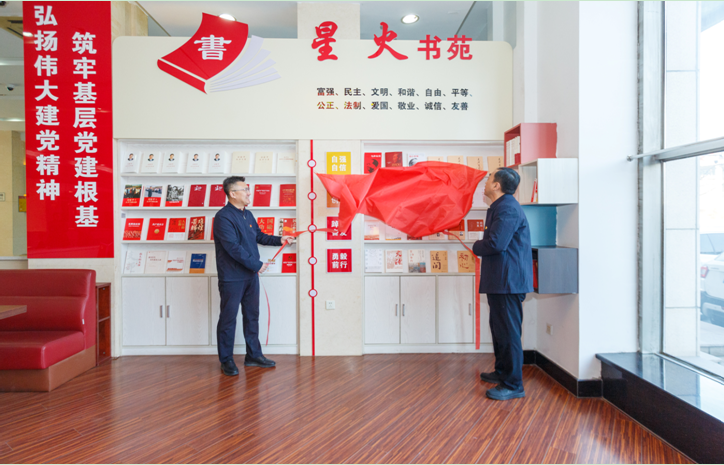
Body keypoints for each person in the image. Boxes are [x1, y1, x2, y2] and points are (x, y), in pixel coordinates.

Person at [213, 176, 293, 376]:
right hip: (232, 277)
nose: (249, 193)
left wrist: (280, 239)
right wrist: (257, 265)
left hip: (250, 276)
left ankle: (253, 355)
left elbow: (258, 236)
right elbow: (233, 248)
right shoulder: (223, 217)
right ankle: (226, 360)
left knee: (252, 316)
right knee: (228, 319)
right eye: (245, 189)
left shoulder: (247, 214)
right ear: (233, 194)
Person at [472, 167, 533, 401]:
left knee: (508, 333)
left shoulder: (507, 208)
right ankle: (502, 372)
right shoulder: (500, 206)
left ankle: (513, 384)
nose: (486, 181)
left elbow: (496, 244)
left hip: (508, 282)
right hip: (501, 281)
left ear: (497, 185)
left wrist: (476, 246)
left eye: (489, 178)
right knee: (499, 331)